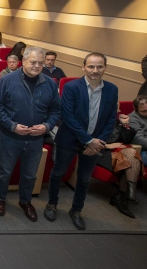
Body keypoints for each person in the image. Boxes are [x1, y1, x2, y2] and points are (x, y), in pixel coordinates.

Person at [45, 53, 118, 230]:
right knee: (58, 173)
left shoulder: (112, 89)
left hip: (96, 142)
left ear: (105, 68)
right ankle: (52, 204)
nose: (95, 70)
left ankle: (76, 210)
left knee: (84, 179)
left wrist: (97, 142)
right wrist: (88, 140)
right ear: (83, 67)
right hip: (69, 139)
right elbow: (68, 117)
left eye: (99, 67)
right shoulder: (71, 87)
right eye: (91, 66)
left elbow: (110, 118)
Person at [0, 47, 60, 222]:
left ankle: (25, 201)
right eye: (33, 62)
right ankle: (0, 198)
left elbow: (55, 111)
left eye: (40, 62)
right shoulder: (7, 80)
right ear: (23, 61)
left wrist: (46, 126)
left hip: (35, 139)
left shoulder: (50, 83)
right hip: (10, 137)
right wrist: (12, 126)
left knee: (30, 175)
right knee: (4, 172)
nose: (37, 66)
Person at [97, 107, 140, 218]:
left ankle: (125, 194)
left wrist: (125, 125)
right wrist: (107, 145)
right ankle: (124, 194)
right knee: (129, 162)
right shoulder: (94, 118)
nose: (116, 110)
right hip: (100, 152)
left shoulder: (116, 121)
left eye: (117, 107)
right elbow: (85, 139)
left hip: (118, 151)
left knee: (131, 153)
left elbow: (126, 140)